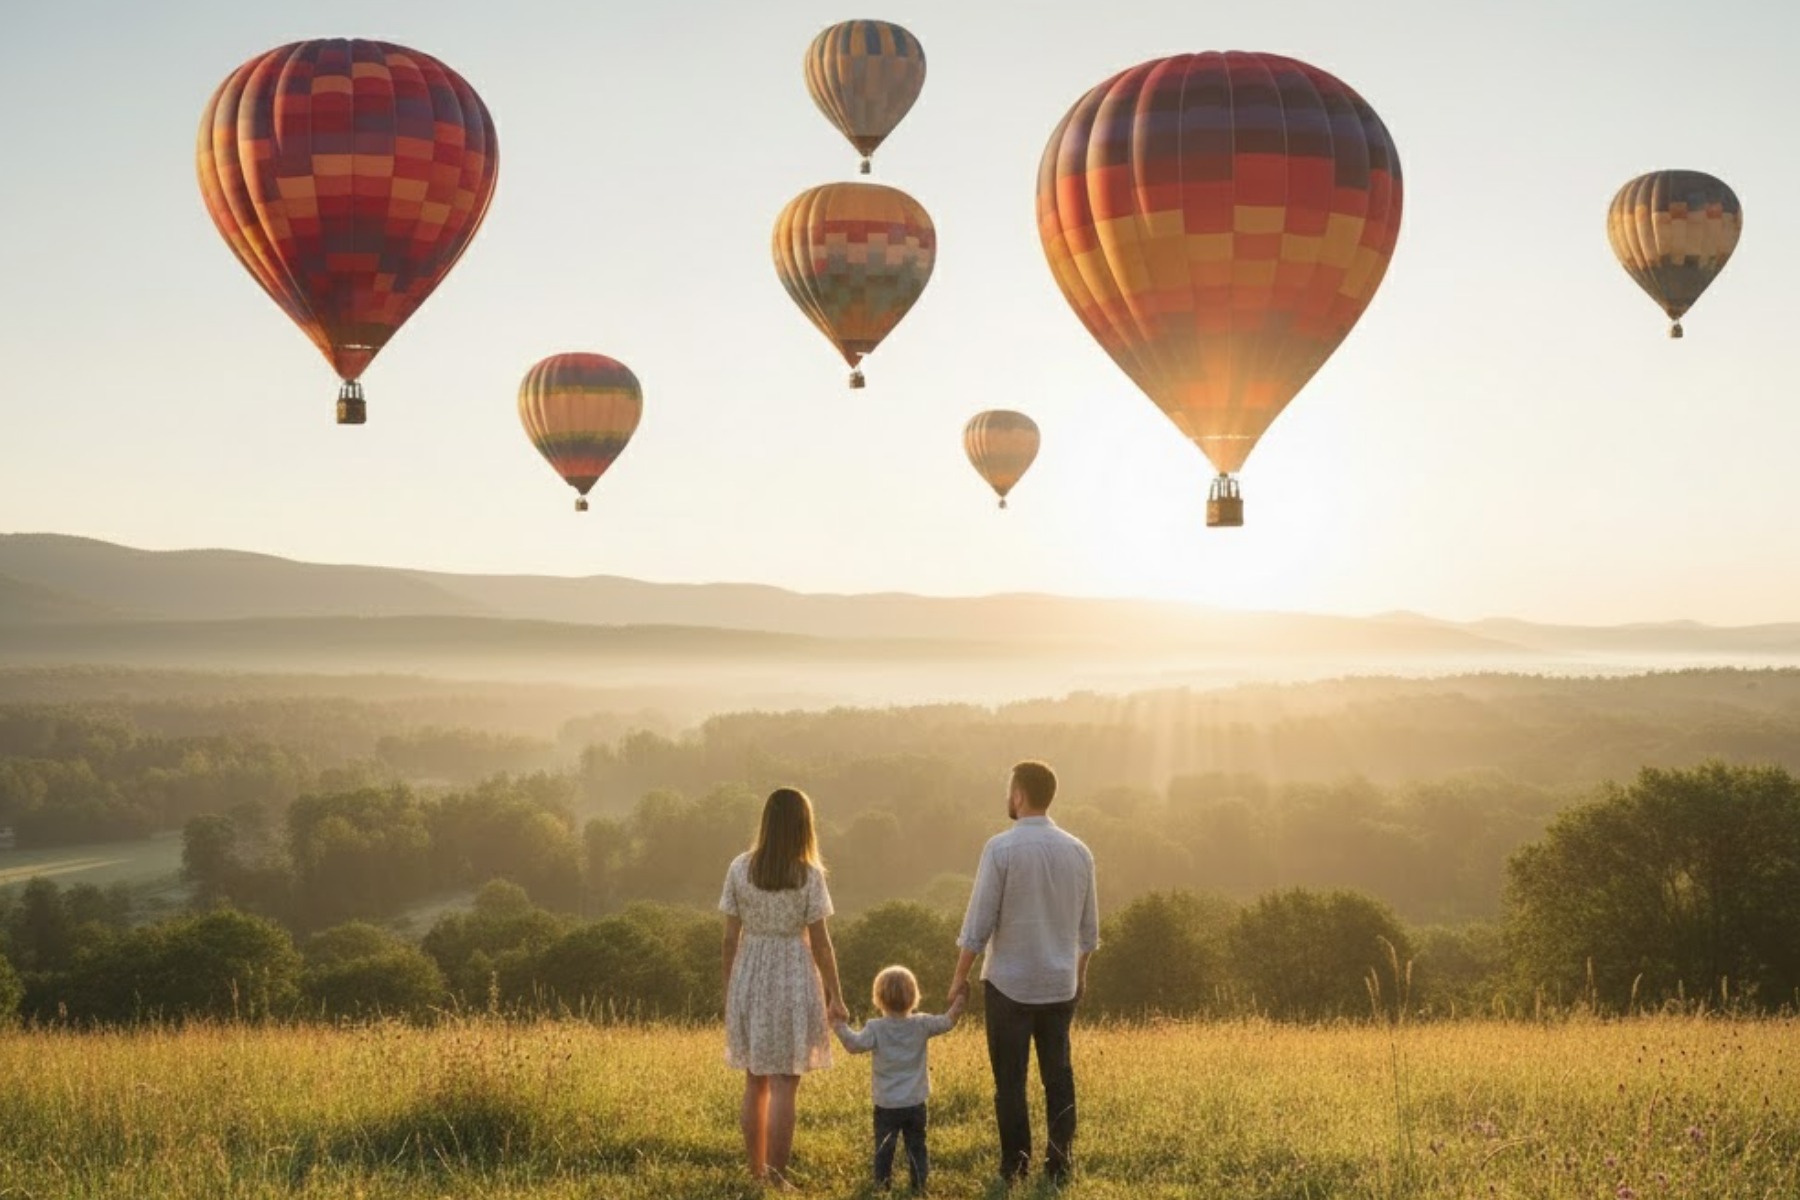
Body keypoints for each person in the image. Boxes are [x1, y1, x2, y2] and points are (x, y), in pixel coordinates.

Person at [948, 760, 1099, 1186]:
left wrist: (959, 977)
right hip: (1059, 983)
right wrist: (1079, 975)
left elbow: (979, 923)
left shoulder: (1000, 849)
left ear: (1019, 795)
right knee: (1059, 1075)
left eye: (1008, 790)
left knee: (1010, 1081)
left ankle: (1014, 1165)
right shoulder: (1079, 851)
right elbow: (1089, 932)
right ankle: (1059, 1161)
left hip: (1009, 985)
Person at [720, 787, 850, 1190]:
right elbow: (822, 943)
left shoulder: (739, 868)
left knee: (754, 1079)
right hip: (792, 974)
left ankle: (756, 1173)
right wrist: (836, 995)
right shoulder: (808, 876)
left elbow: (728, 939)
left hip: (749, 974)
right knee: (783, 1083)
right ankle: (777, 1178)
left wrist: (730, 989)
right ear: (803, 826)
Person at [832, 965, 967, 1193]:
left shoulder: (876, 1028)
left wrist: (837, 1025)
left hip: (886, 1104)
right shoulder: (921, 1023)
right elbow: (948, 1021)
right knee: (917, 1147)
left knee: (884, 1149)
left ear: (878, 998)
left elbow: (853, 1045)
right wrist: (959, 1002)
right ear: (914, 996)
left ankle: (883, 1187)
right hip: (915, 1102)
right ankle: (919, 1187)